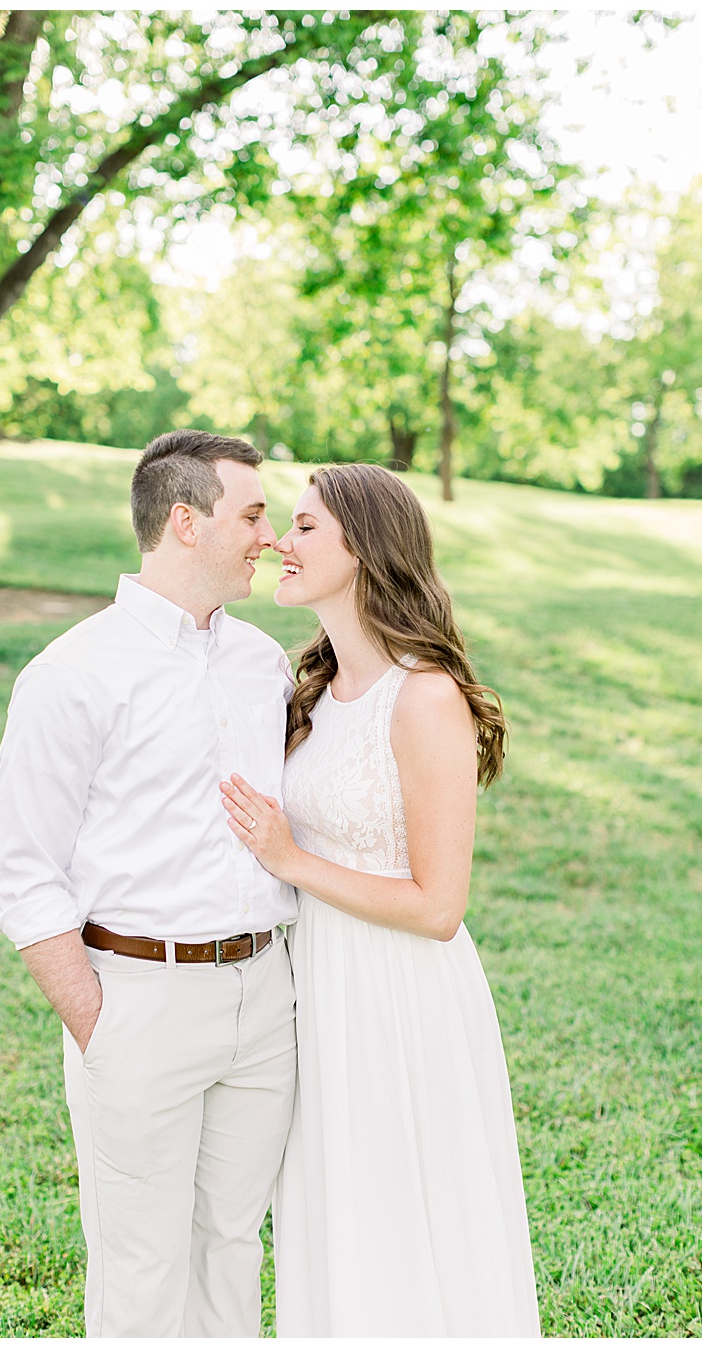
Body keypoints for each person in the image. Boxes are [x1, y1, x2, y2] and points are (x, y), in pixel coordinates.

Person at [218, 462, 539, 1336]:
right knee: (332, 1216)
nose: (281, 541)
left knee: (404, 1214)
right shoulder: (309, 691)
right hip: (313, 985)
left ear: (365, 547)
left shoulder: (425, 696)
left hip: (399, 996)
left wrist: (291, 859)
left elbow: (440, 907)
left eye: (305, 526)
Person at [0, 430, 296, 1337]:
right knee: (140, 1264)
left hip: (264, 1000)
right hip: (136, 999)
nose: (268, 535)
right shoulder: (71, 674)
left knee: (232, 1247)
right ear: (184, 520)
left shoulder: (262, 664)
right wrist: (100, 1021)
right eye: (250, 514)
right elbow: (26, 875)